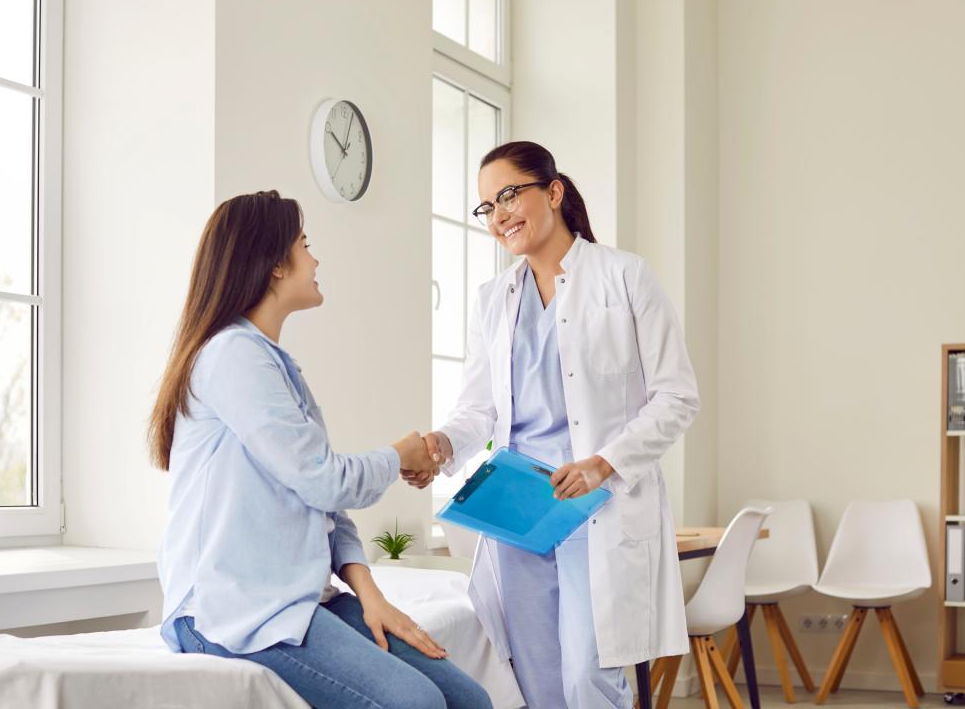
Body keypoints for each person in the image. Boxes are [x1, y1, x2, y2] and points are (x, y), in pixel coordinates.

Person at [149, 190, 492, 709]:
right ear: (273, 267)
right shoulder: (232, 357)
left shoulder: (276, 365)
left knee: (468, 700)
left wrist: (369, 595)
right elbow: (324, 478)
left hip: (299, 600)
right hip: (233, 612)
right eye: (304, 245)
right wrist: (400, 454)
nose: (315, 258)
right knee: (415, 703)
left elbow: (322, 501)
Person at [404, 142, 699, 708]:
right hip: (520, 513)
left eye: (509, 195)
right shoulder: (494, 299)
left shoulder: (625, 276)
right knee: (538, 680)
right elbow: (479, 409)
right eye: (487, 206)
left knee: (588, 677)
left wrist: (603, 462)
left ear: (554, 192)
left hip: (597, 505)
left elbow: (677, 396)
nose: (499, 215)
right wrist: (443, 445)